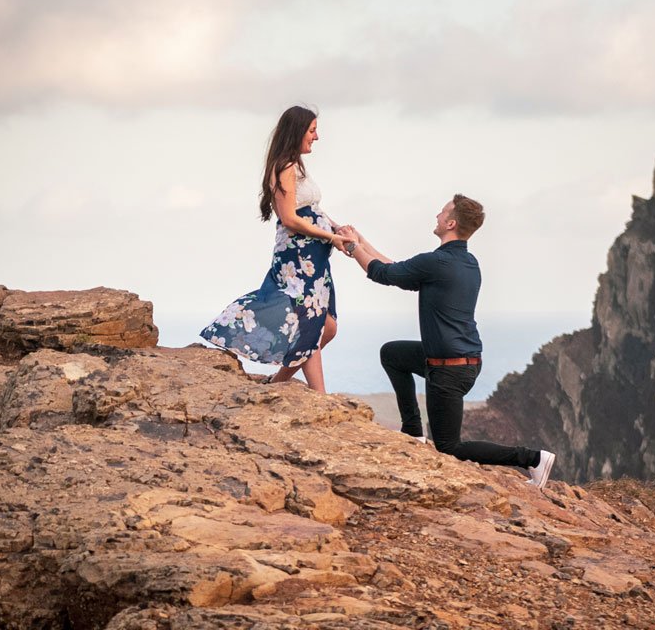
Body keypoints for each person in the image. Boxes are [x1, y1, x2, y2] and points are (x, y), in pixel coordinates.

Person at [339, 195, 556, 488]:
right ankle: (413, 432)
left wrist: (352, 248)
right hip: (459, 361)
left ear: (451, 223)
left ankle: (533, 459)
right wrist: (362, 243)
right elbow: (397, 268)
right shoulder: (465, 262)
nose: (437, 215)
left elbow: (382, 273)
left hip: (449, 369)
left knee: (449, 446)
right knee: (393, 354)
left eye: (442, 213)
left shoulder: (436, 263)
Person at [200, 105, 351, 392]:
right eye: (312, 130)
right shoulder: (284, 167)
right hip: (297, 259)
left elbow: (311, 208)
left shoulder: (297, 166)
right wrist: (329, 237)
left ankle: (279, 381)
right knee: (313, 324)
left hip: (314, 259)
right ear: (297, 132)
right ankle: (319, 396)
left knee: (327, 326)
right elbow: (289, 218)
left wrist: (336, 228)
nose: (316, 137)